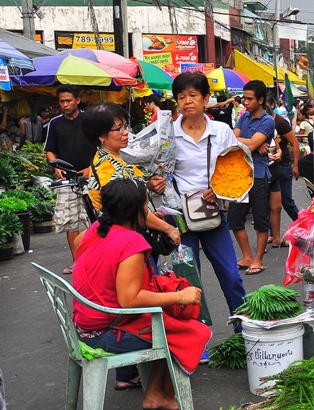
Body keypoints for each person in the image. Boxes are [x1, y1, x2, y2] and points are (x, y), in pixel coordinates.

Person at [72, 178, 210, 407]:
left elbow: (78, 245)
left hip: (84, 324)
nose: (148, 212)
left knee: (167, 321)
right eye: (146, 207)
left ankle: (157, 393)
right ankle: (160, 394)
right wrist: (181, 296)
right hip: (105, 332)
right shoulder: (131, 241)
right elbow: (130, 299)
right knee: (192, 330)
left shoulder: (97, 229)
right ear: (135, 210)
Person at [146, 72, 246, 337]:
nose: (187, 101)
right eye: (181, 97)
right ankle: (195, 339)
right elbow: (155, 172)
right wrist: (152, 184)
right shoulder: (167, 134)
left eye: (193, 95)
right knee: (189, 281)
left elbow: (238, 169)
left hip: (213, 215)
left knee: (232, 277)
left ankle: (243, 332)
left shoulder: (221, 131)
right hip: (180, 219)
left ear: (206, 99)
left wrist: (220, 189)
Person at [80, 102, 180, 243]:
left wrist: (149, 189)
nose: (126, 132)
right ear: (101, 136)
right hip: (127, 240)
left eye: (125, 126)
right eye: (118, 128)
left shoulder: (115, 157)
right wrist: (168, 229)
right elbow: (132, 210)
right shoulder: (108, 167)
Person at [44, 84, 96, 275]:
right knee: (70, 220)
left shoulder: (89, 121)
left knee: (94, 218)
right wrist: (55, 165)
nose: (65, 104)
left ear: (77, 100)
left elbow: (101, 145)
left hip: (91, 178)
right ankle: (77, 260)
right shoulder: (55, 123)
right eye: (62, 101)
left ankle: (97, 258)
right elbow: (50, 150)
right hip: (67, 179)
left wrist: (92, 168)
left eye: (68, 101)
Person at [227, 80, 275, 275]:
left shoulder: (267, 121)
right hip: (239, 175)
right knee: (234, 219)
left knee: (261, 220)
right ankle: (247, 256)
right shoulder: (243, 117)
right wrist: (251, 142)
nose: (245, 102)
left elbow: (252, 146)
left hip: (259, 175)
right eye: (244, 98)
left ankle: (258, 260)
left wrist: (252, 143)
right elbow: (232, 139)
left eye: (249, 99)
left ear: (261, 100)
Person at [266, 95, 300, 245]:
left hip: (283, 165)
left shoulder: (280, 122)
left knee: (287, 201)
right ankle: (272, 235)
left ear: (271, 105)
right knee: (270, 203)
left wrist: (296, 165)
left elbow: (295, 143)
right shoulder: (261, 123)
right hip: (268, 168)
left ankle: (304, 226)